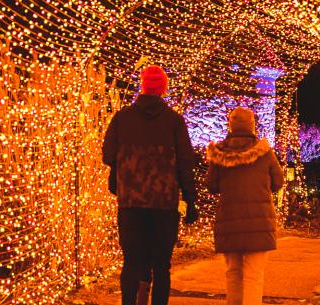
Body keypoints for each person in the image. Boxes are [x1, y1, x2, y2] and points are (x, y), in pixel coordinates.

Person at [102, 65, 199, 305]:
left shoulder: (123, 118)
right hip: (164, 203)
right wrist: (190, 198)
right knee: (161, 266)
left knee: (133, 262)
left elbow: (107, 154)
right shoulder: (174, 121)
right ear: (163, 88)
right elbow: (185, 162)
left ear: (142, 86)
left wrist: (124, 166)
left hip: (131, 202)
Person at [206, 107, 284, 305]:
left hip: (229, 222)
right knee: (253, 276)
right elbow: (278, 182)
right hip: (258, 223)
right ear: (252, 126)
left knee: (232, 273)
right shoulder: (265, 152)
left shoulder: (220, 153)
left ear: (230, 125)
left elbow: (211, 186)